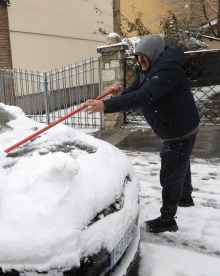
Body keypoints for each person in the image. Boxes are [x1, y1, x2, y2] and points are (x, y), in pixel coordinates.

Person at [85, 34, 200, 233]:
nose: (139, 61)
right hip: (180, 126)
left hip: (178, 129)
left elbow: (144, 96)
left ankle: (167, 219)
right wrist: (122, 94)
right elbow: (138, 88)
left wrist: (106, 105)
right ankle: (185, 197)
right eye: (137, 57)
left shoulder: (167, 70)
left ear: (153, 54)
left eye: (143, 57)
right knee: (181, 160)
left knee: (171, 171)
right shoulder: (152, 66)